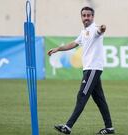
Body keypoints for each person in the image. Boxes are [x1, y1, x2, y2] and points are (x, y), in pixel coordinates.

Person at [47, 6, 114, 135]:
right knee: (100, 100)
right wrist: (58, 49)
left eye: (89, 15)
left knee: (82, 96)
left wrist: (102, 28)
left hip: (93, 69)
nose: (86, 18)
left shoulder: (94, 29)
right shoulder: (84, 31)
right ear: (81, 17)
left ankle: (67, 126)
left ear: (93, 17)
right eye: (84, 15)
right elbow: (74, 43)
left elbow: (100, 31)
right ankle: (109, 128)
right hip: (89, 69)